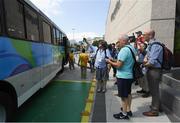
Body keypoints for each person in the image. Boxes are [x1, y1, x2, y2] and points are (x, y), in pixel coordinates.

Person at [106, 34, 136, 120]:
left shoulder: (124, 50)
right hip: (129, 75)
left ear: (124, 41)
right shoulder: (132, 48)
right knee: (129, 94)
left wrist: (109, 61)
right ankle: (128, 110)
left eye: (119, 41)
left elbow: (118, 65)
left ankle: (124, 113)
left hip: (123, 76)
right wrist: (113, 60)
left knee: (123, 96)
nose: (118, 43)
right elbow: (125, 61)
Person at [142, 30, 163, 116]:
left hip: (154, 70)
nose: (143, 36)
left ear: (150, 35)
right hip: (151, 69)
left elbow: (152, 61)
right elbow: (148, 58)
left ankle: (154, 111)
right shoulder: (151, 45)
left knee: (154, 91)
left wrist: (143, 65)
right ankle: (158, 107)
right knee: (154, 90)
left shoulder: (155, 45)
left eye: (145, 35)